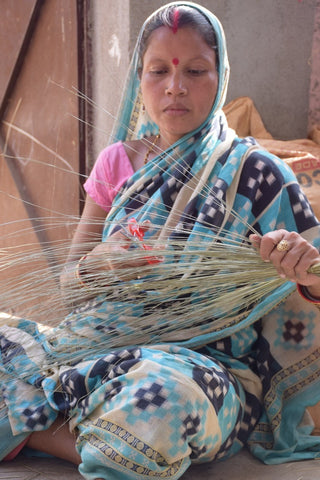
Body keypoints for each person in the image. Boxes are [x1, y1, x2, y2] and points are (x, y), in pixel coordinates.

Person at [1, 2, 320, 479]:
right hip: (96, 344)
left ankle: (43, 426)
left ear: (221, 75)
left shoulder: (256, 174)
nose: (175, 86)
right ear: (139, 78)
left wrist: (304, 275)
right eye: (158, 71)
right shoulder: (118, 163)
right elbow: (71, 287)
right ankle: (93, 435)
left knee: (159, 403)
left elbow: (314, 286)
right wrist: (101, 264)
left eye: (195, 70)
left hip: (201, 366)